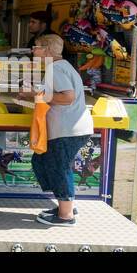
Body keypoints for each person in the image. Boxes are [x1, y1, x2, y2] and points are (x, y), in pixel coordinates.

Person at [18, 33, 94, 225]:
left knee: (59, 167)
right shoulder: (61, 66)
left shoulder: (55, 68)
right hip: (70, 128)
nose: (33, 50)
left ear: (47, 50)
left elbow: (68, 97)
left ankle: (66, 215)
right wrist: (34, 95)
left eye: (36, 47)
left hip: (67, 128)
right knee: (42, 160)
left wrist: (37, 94)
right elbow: (55, 95)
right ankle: (65, 203)